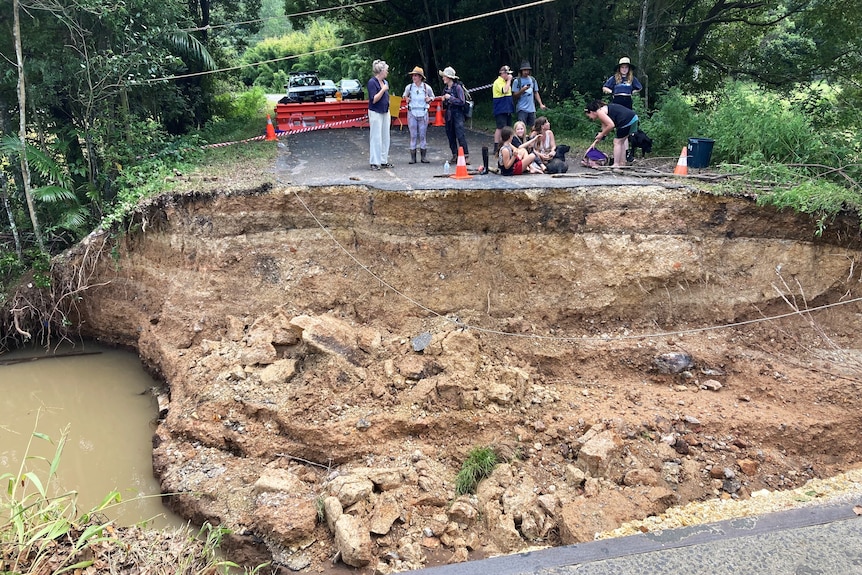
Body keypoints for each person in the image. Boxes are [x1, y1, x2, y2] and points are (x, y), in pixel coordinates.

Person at [584, 99, 639, 167]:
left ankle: (616, 164)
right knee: (621, 142)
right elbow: (604, 129)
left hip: (626, 120)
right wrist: (595, 142)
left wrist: (601, 134)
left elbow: (611, 125)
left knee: (617, 142)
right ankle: (622, 163)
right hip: (633, 118)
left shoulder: (600, 112)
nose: (590, 118)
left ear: (592, 112)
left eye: (588, 116)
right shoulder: (602, 111)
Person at [402, 66, 434, 164]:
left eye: (415, 75)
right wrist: (406, 99)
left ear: (420, 77)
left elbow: (433, 96)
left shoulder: (426, 87)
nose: (414, 77)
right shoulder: (409, 87)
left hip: (423, 112)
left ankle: (423, 157)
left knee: (423, 135)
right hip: (412, 113)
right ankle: (413, 157)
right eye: (413, 76)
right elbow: (404, 95)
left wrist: (430, 99)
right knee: (413, 135)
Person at [439, 66, 469, 164]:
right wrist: (444, 100)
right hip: (448, 114)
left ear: (449, 77)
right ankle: (455, 155)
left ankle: (465, 156)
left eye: (444, 76)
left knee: (460, 135)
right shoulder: (445, 89)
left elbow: (462, 101)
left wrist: (450, 98)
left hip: (457, 114)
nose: (443, 78)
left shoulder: (458, 87)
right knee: (450, 135)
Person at [367, 59, 392, 170]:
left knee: (385, 136)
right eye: (386, 70)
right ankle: (374, 161)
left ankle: (383, 160)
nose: (387, 72)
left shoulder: (385, 82)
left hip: (385, 111)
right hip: (375, 112)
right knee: (376, 137)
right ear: (381, 71)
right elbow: (374, 99)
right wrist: (383, 90)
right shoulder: (372, 82)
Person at [512, 61, 547, 127]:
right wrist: (522, 90)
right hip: (521, 108)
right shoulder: (517, 81)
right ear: (521, 71)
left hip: (531, 108)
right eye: (524, 70)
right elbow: (515, 95)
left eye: (527, 70)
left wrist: (541, 104)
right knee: (521, 127)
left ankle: (532, 137)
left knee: (534, 127)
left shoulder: (533, 80)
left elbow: (536, 92)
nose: (526, 72)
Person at [492, 65, 515, 154]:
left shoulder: (506, 82)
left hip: (507, 107)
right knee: (500, 127)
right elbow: (504, 91)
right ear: (503, 73)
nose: (509, 76)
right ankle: (497, 146)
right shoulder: (498, 82)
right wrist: (509, 80)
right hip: (500, 108)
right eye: (508, 74)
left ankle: (507, 144)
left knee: (508, 127)